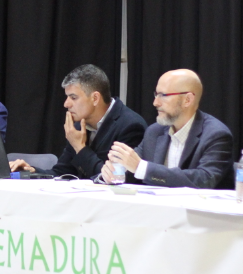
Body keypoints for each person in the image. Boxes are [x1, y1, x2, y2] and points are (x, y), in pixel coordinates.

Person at [99, 69, 233, 188]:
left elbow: (204, 179)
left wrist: (141, 167)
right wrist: (114, 172)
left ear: (188, 99)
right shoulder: (154, 132)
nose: (155, 102)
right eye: (156, 95)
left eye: (163, 95)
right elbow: (134, 171)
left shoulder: (216, 134)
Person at [9, 64, 146, 178]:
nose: (66, 104)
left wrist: (80, 148)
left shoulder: (130, 126)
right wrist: (31, 171)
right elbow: (61, 173)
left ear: (95, 98)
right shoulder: (79, 124)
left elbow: (113, 178)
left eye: (73, 97)